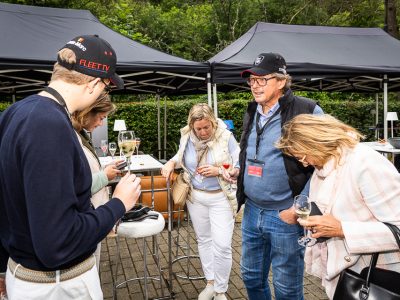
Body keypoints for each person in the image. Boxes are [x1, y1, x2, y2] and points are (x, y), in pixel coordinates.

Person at [0, 35, 141, 299]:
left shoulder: (14, 113)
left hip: (21, 276)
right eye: (105, 87)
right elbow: (59, 242)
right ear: (95, 84)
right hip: (57, 286)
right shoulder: (50, 124)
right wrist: (119, 204)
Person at [224, 52, 323, 300]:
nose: (255, 86)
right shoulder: (252, 111)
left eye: (262, 80)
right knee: (250, 276)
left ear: (281, 81)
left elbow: (328, 161)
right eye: (251, 81)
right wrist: (240, 171)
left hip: (284, 214)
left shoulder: (307, 110)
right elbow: (251, 151)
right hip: (252, 212)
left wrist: (299, 206)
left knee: (286, 286)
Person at [275, 114, 400, 299]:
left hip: (375, 277)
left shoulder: (365, 163)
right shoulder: (323, 165)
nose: (304, 162)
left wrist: (342, 229)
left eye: (302, 155)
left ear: (318, 141)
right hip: (345, 275)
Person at [161, 103, 240, 300]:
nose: (203, 132)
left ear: (213, 122)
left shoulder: (226, 137)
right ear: (192, 126)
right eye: (199, 129)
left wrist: (219, 170)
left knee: (222, 245)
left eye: (207, 127)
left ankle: (221, 290)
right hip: (195, 197)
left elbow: (239, 166)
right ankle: (211, 283)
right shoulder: (187, 136)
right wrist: (171, 162)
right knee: (204, 240)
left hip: (220, 198)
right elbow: (180, 157)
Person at [71, 93, 123, 268]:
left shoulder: (79, 134)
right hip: (86, 219)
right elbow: (74, 185)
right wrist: (104, 176)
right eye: (100, 118)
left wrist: (105, 171)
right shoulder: (71, 138)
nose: (101, 123)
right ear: (87, 112)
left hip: (92, 216)